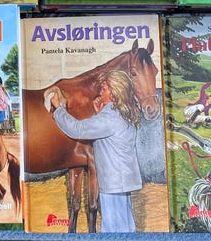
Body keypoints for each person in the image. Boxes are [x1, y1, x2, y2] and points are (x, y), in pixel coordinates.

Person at [49, 70, 142, 232]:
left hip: (113, 183)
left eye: (104, 89)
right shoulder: (122, 112)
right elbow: (107, 134)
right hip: (121, 181)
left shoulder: (110, 117)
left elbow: (78, 129)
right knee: (126, 225)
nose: (100, 93)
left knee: (113, 228)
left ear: (114, 93)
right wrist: (98, 114)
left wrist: (58, 110)